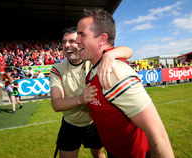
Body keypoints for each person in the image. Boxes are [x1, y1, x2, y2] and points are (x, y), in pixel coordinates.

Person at [75, 8, 174, 158]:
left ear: (102, 39)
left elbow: (158, 134)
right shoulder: (96, 66)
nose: (77, 40)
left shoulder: (115, 73)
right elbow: (128, 50)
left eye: (81, 35)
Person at [50, 26, 133, 158]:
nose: (66, 45)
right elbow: (56, 104)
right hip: (70, 124)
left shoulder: (92, 60)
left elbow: (128, 51)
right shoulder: (57, 69)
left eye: (71, 41)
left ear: (80, 42)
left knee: (99, 155)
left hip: (94, 123)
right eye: (63, 42)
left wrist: (110, 54)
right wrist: (80, 99)